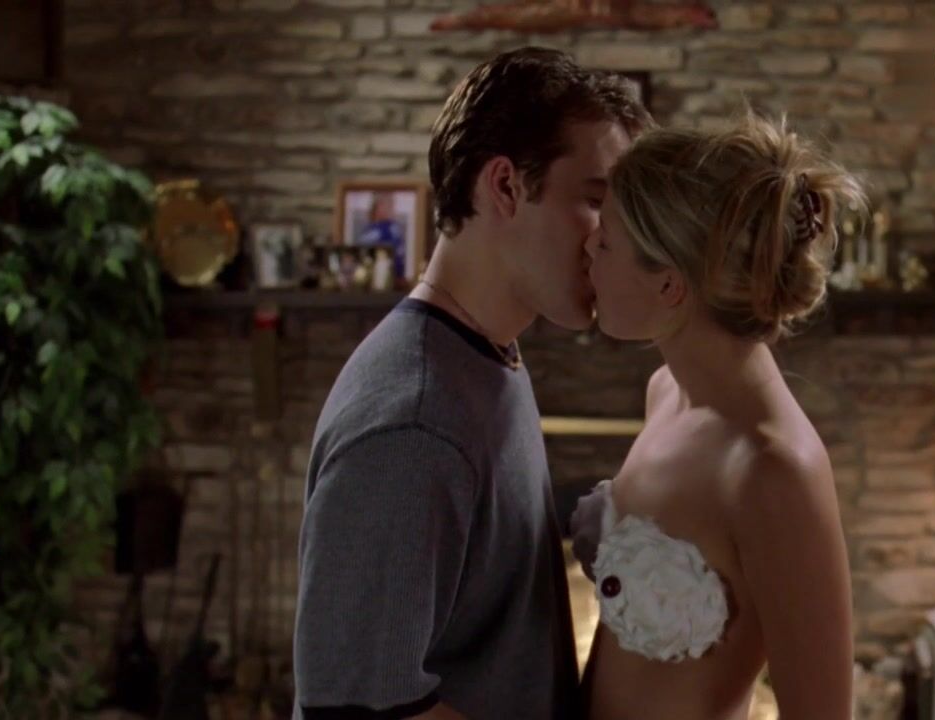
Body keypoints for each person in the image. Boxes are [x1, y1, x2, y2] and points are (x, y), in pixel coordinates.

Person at [291, 47, 650, 720]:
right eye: (595, 201)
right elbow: (359, 712)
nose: (613, 239)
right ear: (506, 186)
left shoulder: (488, 357)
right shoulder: (414, 421)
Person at [570, 109, 863, 720]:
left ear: (668, 286)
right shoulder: (664, 393)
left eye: (608, 240)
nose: (588, 247)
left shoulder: (772, 469)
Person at [358, 192, 406, 279]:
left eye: (391, 205)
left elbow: (399, 255)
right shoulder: (368, 229)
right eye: (388, 205)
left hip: (390, 277)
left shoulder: (393, 228)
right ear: (378, 206)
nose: (391, 209)